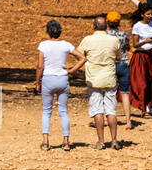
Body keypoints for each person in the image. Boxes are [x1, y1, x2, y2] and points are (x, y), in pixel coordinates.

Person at [36, 19, 83, 151]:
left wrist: (37, 81)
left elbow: (40, 66)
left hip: (48, 79)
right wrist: (72, 70)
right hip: (62, 79)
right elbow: (82, 58)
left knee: (46, 111)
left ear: (48, 31)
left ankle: (45, 141)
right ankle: (66, 141)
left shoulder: (43, 45)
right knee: (63, 111)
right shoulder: (66, 44)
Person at [77, 15, 122, 150]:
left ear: (93, 26)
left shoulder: (88, 40)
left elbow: (79, 54)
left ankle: (101, 141)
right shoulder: (114, 40)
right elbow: (118, 57)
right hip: (109, 79)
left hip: (94, 80)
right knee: (111, 110)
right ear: (106, 26)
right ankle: (114, 140)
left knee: (97, 110)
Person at [129, 1, 152, 119]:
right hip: (142, 55)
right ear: (142, 15)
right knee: (143, 83)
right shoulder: (137, 26)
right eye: (148, 14)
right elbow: (135, 44)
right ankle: (143, 108)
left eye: (151, 14)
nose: (150, 16)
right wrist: (146, 41)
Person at [106, 11, 134, 129]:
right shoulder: (124, 35)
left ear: (108, 22)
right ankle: (128, 121)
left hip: (110, 65)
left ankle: (105, 119)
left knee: (107, 93)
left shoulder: (105, 35)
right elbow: (127, 48)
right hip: (123, 64)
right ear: (119, 22)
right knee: (125, 93)